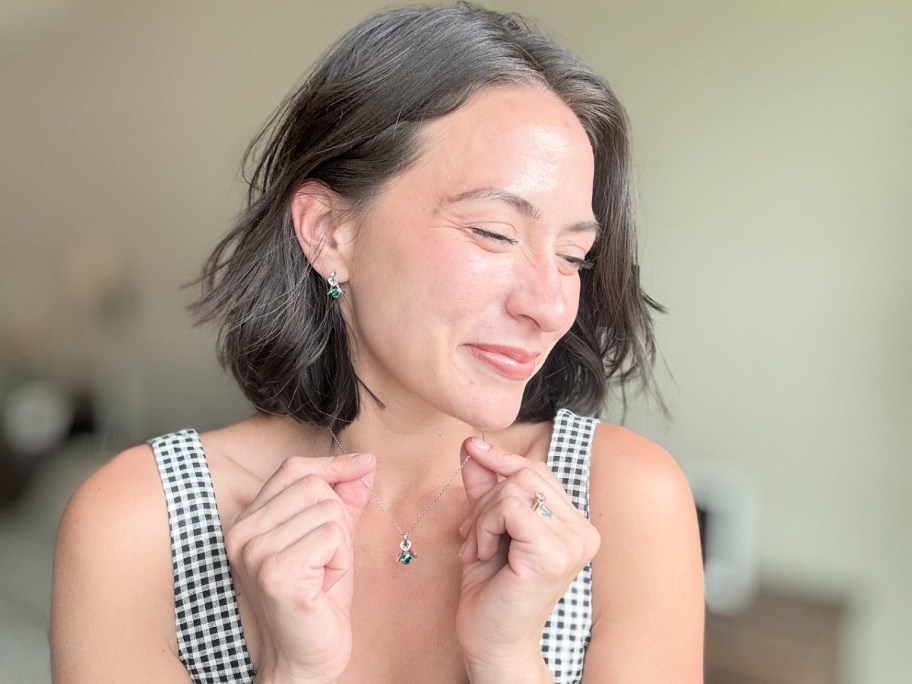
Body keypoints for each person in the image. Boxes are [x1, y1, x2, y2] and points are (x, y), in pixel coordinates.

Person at [50, 4, 704, 683]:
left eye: (573, 257)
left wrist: (507, 659)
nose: (547, 306)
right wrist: (294, 671)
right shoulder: (140, 524)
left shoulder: (622, 503)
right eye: (493, 233)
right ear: (331, 231)